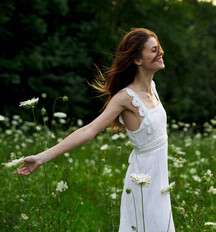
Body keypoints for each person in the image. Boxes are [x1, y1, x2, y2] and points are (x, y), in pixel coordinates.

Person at [14, 28, 175, 232]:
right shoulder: (125, 98)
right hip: (142, 182)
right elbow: (88, 131)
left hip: (160, 182)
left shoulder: (153, 87)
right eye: (154, 50)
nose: (160, 52)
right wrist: (41, 158)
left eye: (158, 48)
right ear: (137, 60)